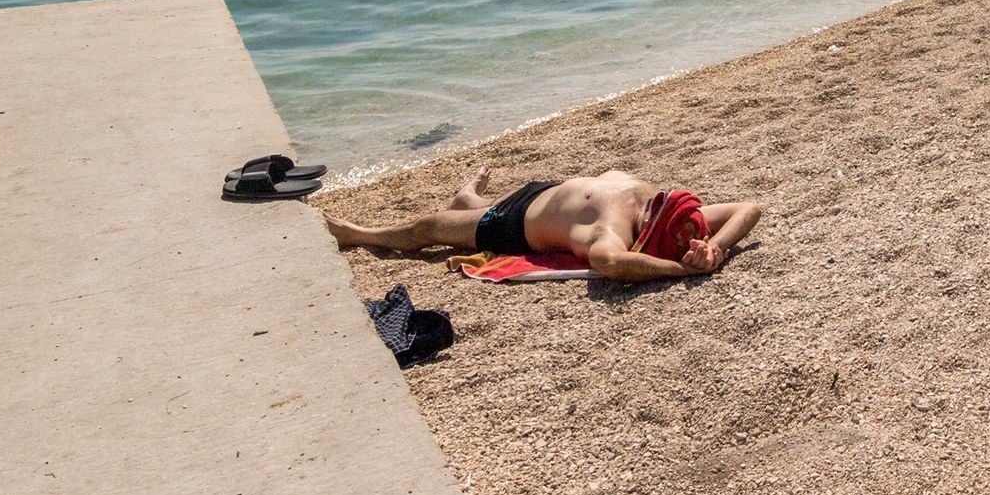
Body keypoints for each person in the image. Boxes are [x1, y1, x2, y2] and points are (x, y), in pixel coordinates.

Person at [326, 166, 761, 283]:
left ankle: (356, 234)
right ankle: (469, 200)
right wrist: (717, 249)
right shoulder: (667, 210)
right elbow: (749, 207)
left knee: (430, 227)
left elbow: (608, 263)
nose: (653, 199)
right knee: (470, 208)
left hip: (513, 223)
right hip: (547, 192)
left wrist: (684, 269)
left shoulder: (614, 231)